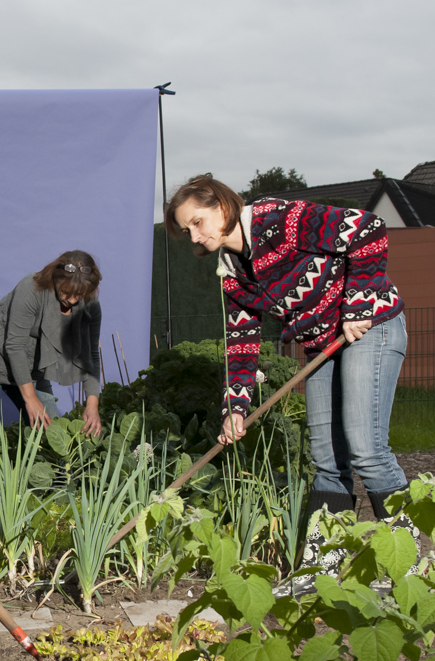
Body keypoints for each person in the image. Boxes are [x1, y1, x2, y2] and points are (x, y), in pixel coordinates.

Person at [164, 172, 408, 584]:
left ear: (222, 207)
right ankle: (320, 570)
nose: (193, 236)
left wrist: (360, 304)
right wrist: (235, 409)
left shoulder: (277, 220)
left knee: (367, 449)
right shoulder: (232, 273)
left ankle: (408, 565)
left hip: (371, 328)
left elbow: (367, 229)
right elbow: (241, 344)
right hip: (324, 346)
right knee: (327, 462)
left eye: (197, 222)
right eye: (186, 229)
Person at [0, 250, 104, 457]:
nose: (71, 300)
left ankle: (43, 489)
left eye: (78, 296)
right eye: (65, 293)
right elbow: (14, 345)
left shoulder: (90, 305)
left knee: (52, 437)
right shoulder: (33, 287)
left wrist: (92, 405)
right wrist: (31, 399)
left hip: (31, 367)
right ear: (56, 279)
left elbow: (90, 356)